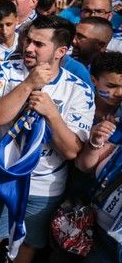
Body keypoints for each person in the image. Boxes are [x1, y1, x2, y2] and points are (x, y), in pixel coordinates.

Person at [0, 16, 95, 263]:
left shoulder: (79, 89)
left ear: (61, 51)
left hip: (44, 184)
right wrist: (29, 84)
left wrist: (52, 114)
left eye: (39, 44)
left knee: (28, 244)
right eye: (28, 40)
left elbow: (72, 152)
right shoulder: (4, 71)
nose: (28, 48)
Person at [75, 52, 122, 262]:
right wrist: (94, 138)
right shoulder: (77, 105)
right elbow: (82, 164)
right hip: (73, 197)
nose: (119, 93)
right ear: (93, 80)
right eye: (110, 86)